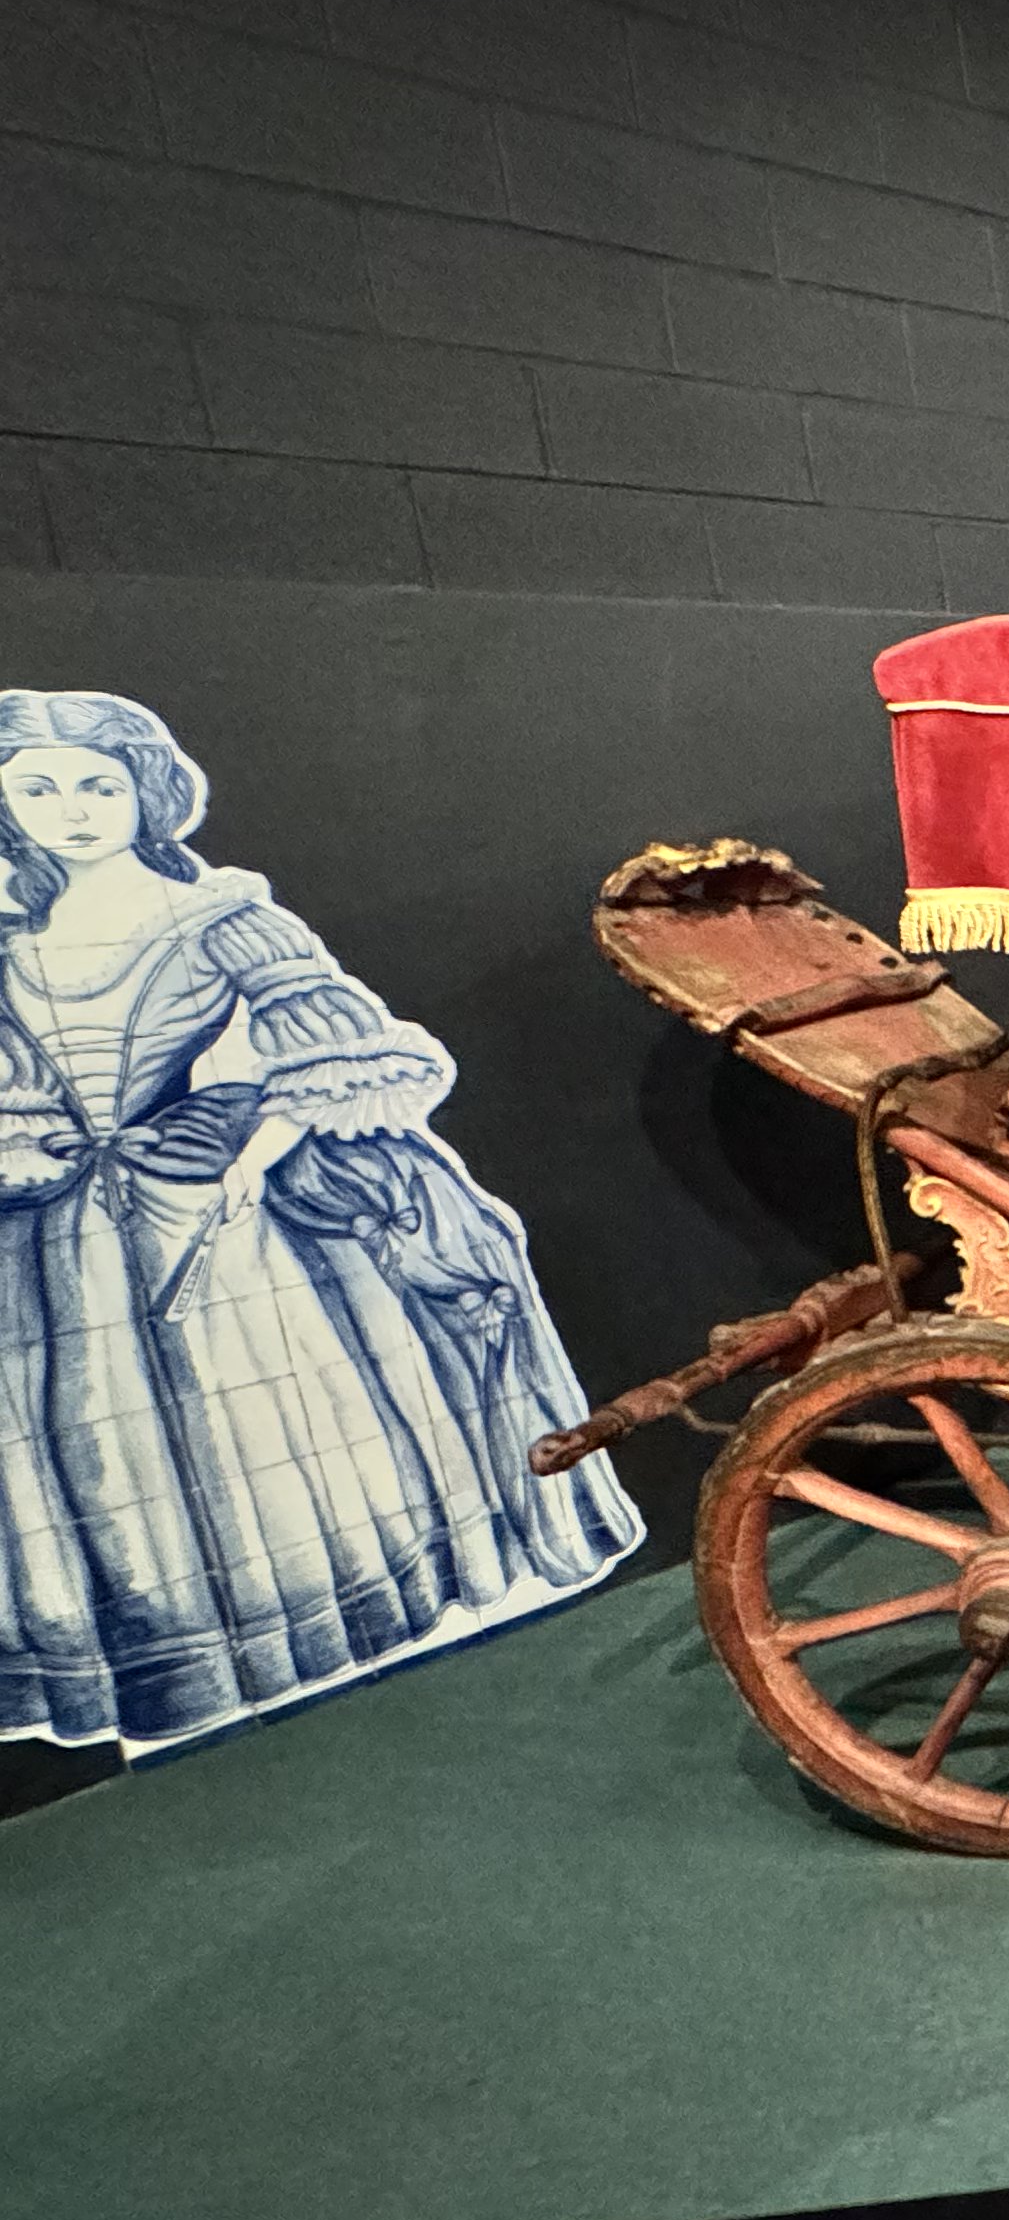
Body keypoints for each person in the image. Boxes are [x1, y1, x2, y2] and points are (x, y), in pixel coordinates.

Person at [0, 691, 640, 1751]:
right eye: (39, 789)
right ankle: (161, 1668)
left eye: (98, 786)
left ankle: (313, 1633)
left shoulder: (222, 917)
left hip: (208, 1201)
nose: (71, 811)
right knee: (93, 1453)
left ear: (145, 795)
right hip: (52, 1228)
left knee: (256, 1427)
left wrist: (252, 1161)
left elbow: (329, 1049)